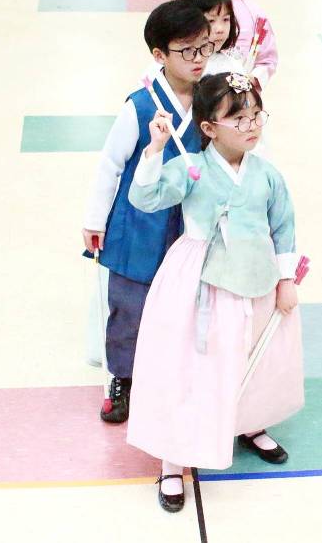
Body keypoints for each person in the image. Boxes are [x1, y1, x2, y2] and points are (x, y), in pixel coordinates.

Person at [126, 72, 304, 512]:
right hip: (199, 280)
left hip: (255, 277)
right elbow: (144, 198)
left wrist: (285, 280)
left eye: (256, 115)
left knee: (252, 354)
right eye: (238, 118)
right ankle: (173, 458)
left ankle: (249, 421)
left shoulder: (267, 175)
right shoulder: (190, 169)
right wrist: (153, 149)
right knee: (191, 364)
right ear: (208, 128)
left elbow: (283, 227)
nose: (251, 126)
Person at [81, 0, 211, 422]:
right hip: (138, 224)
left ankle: (177, 376)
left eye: (205, 48)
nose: (198, 59)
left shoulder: (213, 100)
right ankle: (124, 377)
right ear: (159, 55)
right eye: (187, 50)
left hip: (191, 224)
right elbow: (110, 165)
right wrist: (94, 220)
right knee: (130, 305)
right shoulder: (140, 106)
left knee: (188, 304)